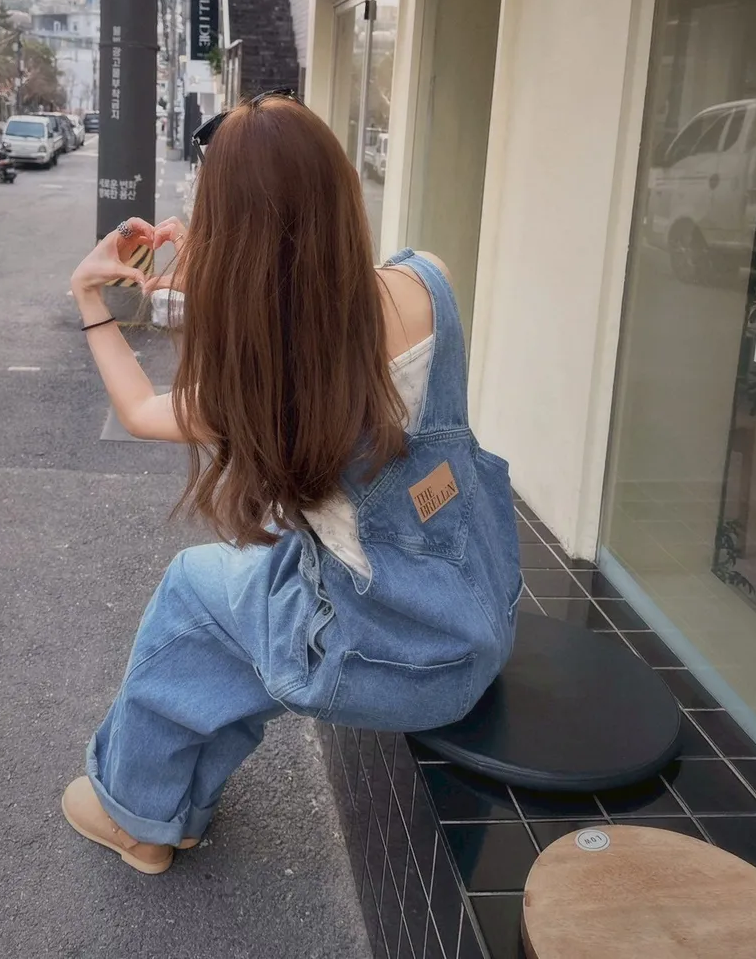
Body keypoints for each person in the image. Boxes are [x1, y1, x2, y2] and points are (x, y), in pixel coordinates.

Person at [63, 95, 521, 875]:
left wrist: (90, 300)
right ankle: (172, 803)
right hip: (479, 620)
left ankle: (137, 816)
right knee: (250, 587)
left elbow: (141, 409)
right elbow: (324, 311)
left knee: (193, 589)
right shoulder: (430, 283)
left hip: (382, 656)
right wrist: (222, 271)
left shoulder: (266, 381)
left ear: (230, 232)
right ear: (341, 187)